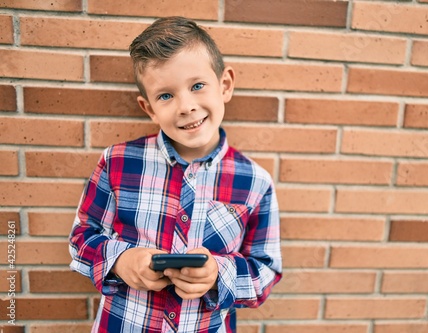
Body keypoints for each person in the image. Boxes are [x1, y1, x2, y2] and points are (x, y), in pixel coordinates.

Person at [68, 16, 282, 333]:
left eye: (197, 86)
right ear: (149, 108)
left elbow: (266, 269)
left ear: (225, 85)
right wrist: (122, 262)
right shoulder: (117, 162)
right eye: (166, 95)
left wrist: (217, 274)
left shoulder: (255, 182)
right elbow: (81, 237)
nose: (186, 106)